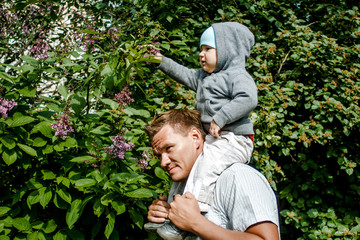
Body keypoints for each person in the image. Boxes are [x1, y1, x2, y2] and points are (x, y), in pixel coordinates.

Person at [150, 22, 258, 238]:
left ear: (228, 50)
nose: (201, 54)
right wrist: (160, 60)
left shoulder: (236, 75)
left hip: (235, 137)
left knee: (207, 166)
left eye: (208, 49)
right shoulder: (203, 78)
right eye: (201, 49)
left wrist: (222, 117)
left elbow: (249, 98)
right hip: (216, 138)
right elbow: (182, 72)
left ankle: (191, 216)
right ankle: (172, 214)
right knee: (190, 170)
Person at [145, 109, 280, 240]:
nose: (163, 162)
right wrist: (164, 215)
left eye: (169, 148)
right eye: (159, 155)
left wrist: (196, 223)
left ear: (195, 137)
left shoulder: (237, 176)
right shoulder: (184, 188)